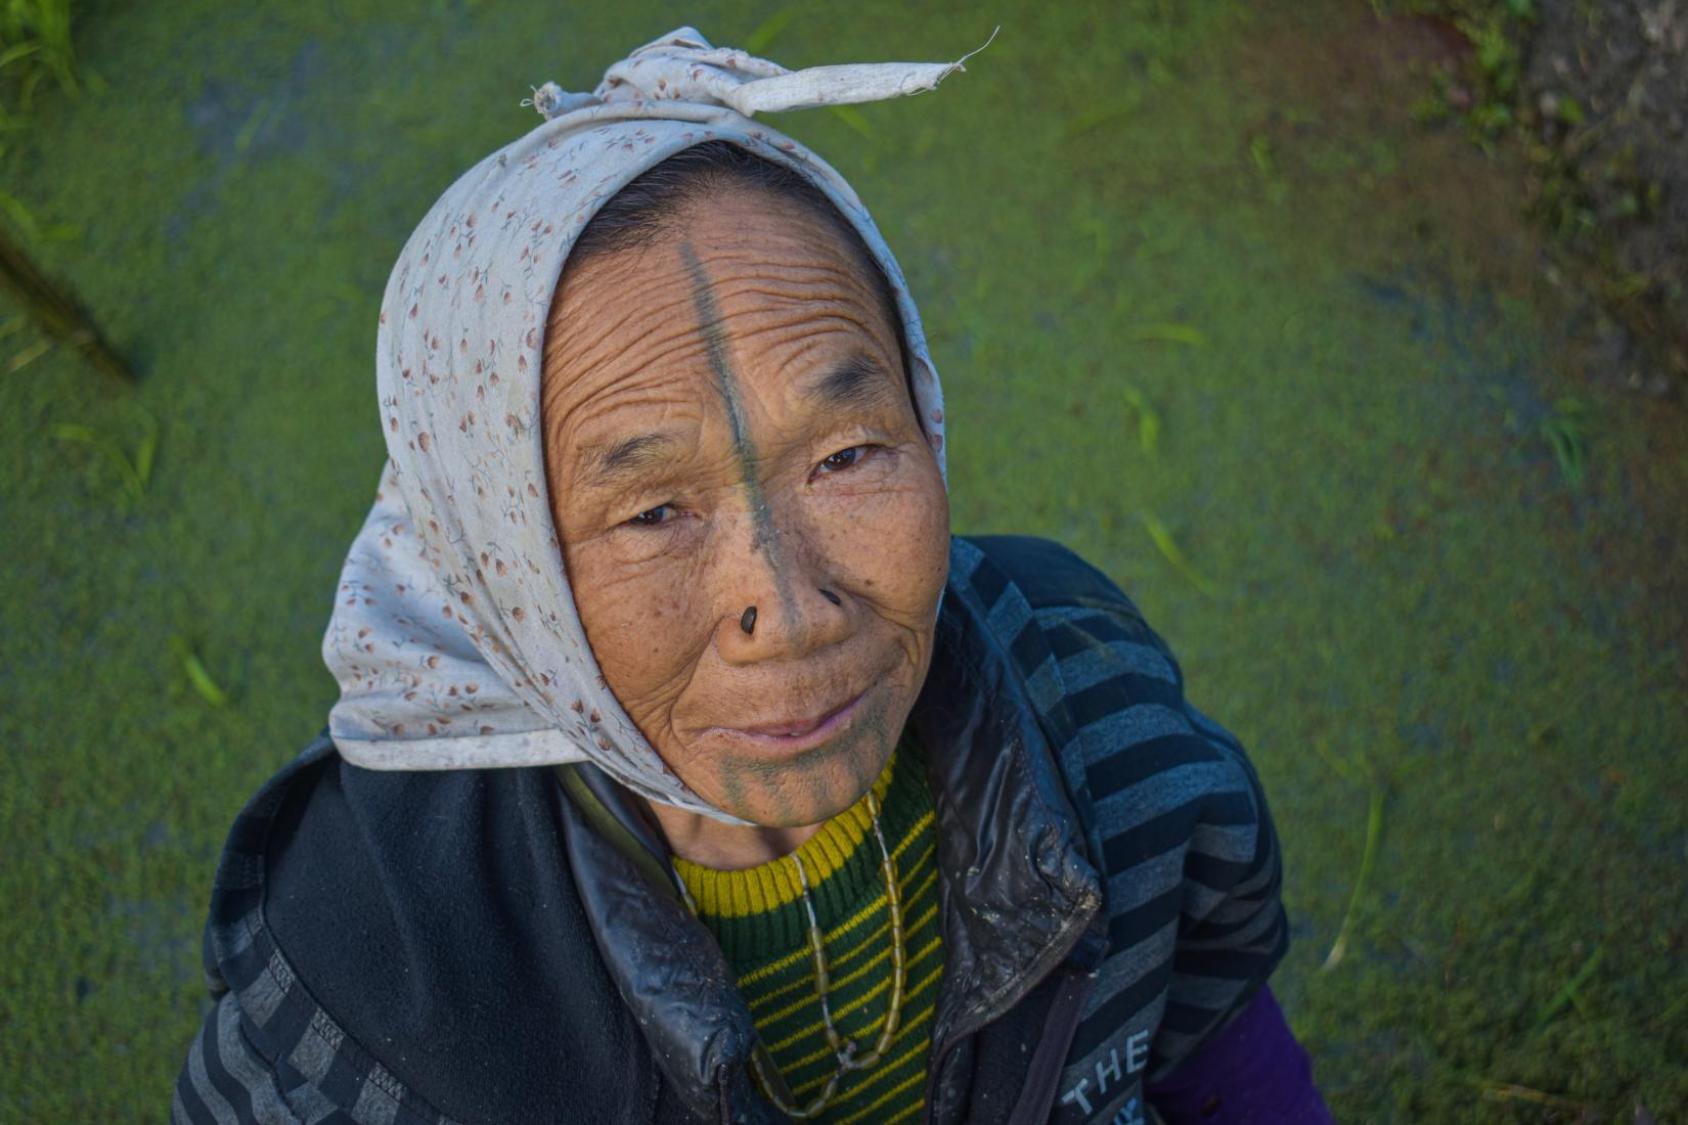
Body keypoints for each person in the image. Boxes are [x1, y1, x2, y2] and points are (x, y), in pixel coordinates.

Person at [172, 27, 1332, 1125]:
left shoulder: (1097, 703)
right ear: (496, 568)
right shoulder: (359, 987)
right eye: (652, 511)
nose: (784, 606)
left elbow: (1213, 1034)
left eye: (843, 454)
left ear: (923, 415)